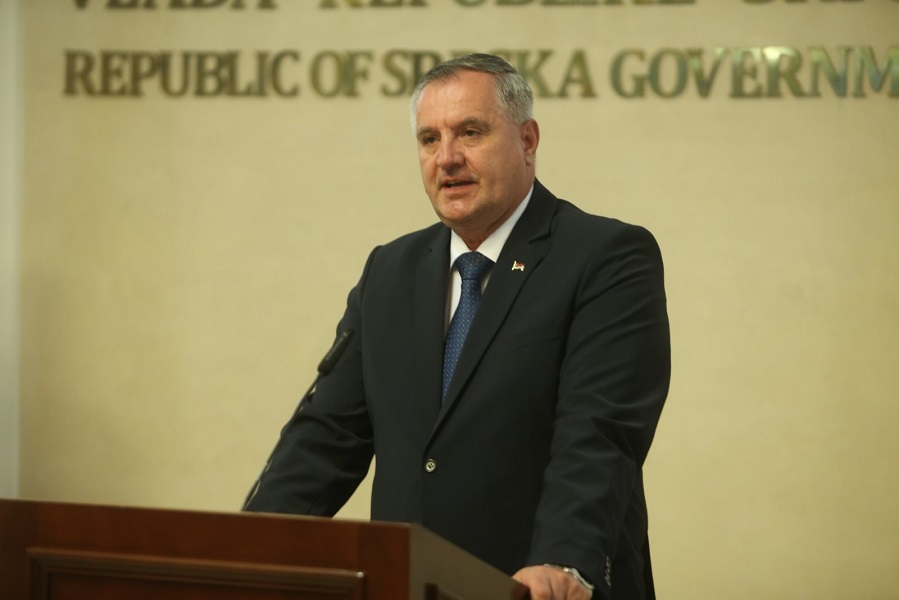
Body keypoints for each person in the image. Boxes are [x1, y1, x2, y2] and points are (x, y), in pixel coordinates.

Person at [244, 53, 670, 600]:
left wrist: (562, 560)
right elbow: (328, 435)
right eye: (429, 139)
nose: (446, 158)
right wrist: (249, 548)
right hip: (407, 584)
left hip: (537, 588)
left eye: (470, 132)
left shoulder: (606, 257)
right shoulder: (390, 271)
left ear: (528, 141)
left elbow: (599, 433)